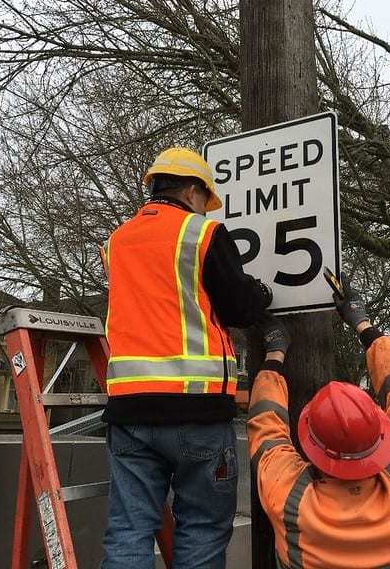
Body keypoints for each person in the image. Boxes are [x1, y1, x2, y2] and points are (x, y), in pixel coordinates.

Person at [101, 147, 272, 569]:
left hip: (130, 414)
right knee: (201, 529)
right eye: (205, 197)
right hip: (197, 414)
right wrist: (261, 293)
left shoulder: (116, 242)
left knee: (127, 531)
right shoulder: (202, 233)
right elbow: (239, 308)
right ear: (194, 190)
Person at [247, 276, 390, 569]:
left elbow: (265, 423)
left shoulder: (290, 498)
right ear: (380, 435)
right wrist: (362, 323)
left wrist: (275, 352)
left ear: (311, 443)